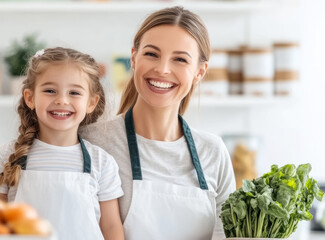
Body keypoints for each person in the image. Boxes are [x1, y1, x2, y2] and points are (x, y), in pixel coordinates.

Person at [80, 6, 236, 240]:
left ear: (200, 72)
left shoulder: (213, 152)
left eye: (180, 59)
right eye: (152, 54)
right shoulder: (93, 143)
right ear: (133, 57)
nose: (162, 69)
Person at [0, 47, 124, 240]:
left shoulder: (102, 162)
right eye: (50, 91)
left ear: (91, 102)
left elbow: (111, 227)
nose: (62, 100)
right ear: (30, 98)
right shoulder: (7, 154)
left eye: (74, 92)